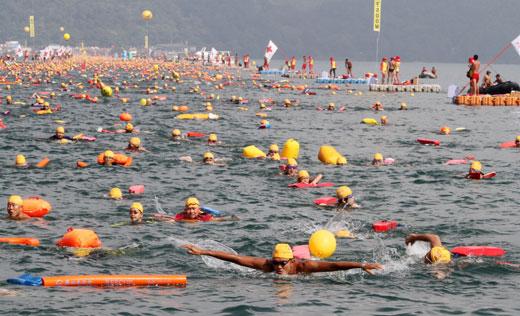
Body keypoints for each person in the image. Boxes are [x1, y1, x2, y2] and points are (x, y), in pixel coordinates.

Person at [184, 243, 383, 275]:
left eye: (282, 263)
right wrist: (204, 252)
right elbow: (235, 259)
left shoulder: (304, 266)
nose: (278, 266)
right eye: (276, 262)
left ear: (292, 261)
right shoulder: (267, 265)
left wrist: (362, 265)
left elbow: (334, 265)